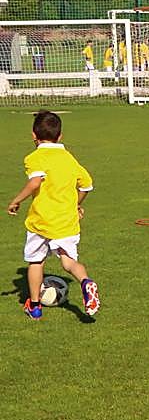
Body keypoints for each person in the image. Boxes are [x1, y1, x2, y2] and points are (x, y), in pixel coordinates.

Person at [7, 110, 100, 319]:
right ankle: (86, 282)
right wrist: (75, 204)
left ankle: (35, 307)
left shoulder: (34, 157)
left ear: (33, 135)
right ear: (60, 136)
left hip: (41, 222)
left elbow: (35, 181)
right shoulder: (69, 159)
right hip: (66, 221)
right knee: (68, 262)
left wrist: (16, 200)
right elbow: (87, 185)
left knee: (36, 262)